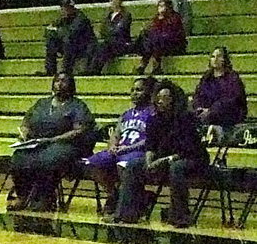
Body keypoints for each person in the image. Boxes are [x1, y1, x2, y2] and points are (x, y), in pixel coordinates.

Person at [116, 81, 208, 227]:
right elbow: (150, 145)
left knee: (176, 168)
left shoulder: (185, 119)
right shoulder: (154, 119)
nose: (159, 100)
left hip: (192, 159)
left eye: (164, 97)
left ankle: (180, 216)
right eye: (158, 97)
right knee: (133, 165)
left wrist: (162, 161)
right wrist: (148, 161)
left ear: (173, 99)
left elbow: (187, 150)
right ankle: (126, 214)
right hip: (164, 158)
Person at [9, 74, 97, 211]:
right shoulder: (42, 103)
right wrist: (24, 134)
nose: (60, 84)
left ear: (71, 85)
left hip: (66, 145)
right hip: (39, 143)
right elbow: (26, 122)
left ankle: (46, 197)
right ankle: (23, 195)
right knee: (18, 158)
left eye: (64, 81)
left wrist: (52, 140)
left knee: (49, 160)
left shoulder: (77, 105)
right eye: (57, 81)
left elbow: (79, 131)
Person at [83, 75, 156, 219]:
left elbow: (151, 140)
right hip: (120, 150)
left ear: (148, 92)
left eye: (139, 90)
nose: (135, 93)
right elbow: (115, 134)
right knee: (90, 163)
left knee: (124, 165)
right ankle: (114, 194)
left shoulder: (153, 113)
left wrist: (128, 148)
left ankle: (130, 199)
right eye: (133, 90)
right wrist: (112, 146)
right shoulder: (126, 114)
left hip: (138, 152)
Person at [192, 47, 248, 142]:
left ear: (225, 59)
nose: (215, 59)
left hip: (228, 112)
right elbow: (198, 95)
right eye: (213, 57)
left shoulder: (232, 77)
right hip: (207, 112)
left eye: (219, 56)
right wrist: (200, 108)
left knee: (217, 112)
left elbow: (233, 99)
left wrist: (211, 109)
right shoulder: (206, 77)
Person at [44, 0, 96, 78]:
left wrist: (57, 31)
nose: (63, 10)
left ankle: (65, 70)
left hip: (84, 47)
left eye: (66, 8)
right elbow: (49, 30)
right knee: (51, 41)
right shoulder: (63, 18)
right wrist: (55, 31)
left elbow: (71, 34)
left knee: (68, 41)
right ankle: (50, 70)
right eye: (62, 8)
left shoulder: (81, 18)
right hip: (70, 45)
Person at [133, 0, 186, 76]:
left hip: (173, 43)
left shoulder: (174, 17)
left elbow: (172, 33)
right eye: (159, 6)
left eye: (163, 6)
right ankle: (150, 62)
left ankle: (147, 63)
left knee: (156, 37)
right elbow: (152, 29)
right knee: (147, 35)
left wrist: (161, 21)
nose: (160, 8)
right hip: (158, 43)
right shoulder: (156, 18)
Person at [87, 0, 134, 74]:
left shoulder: (126, 15)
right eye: (111, 0)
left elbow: (120, 30)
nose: (113, 2)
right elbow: (102, 30)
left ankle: (94, 70)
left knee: (104, 45)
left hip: (121, 43)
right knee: (94, 46)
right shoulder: (107, 16)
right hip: (109, 42)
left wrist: (110, 31)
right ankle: (90, 68)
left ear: (120, 1)